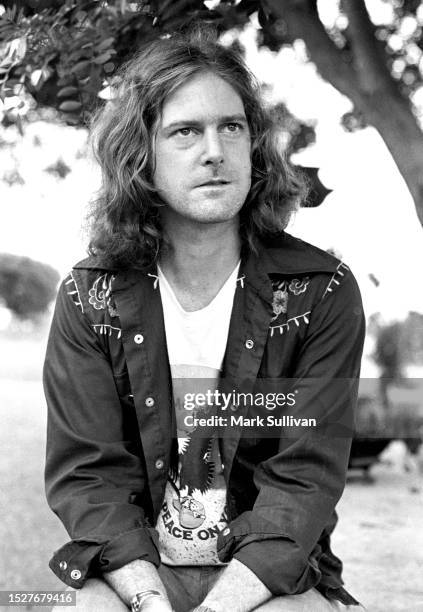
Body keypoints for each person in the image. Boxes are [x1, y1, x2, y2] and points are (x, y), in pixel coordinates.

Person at [43, 26, 366, 612]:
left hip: (268, 577)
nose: (214, 150)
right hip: (137, 573)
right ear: (142, 157)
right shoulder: (91, 298)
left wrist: (220, 607)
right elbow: (90, 476)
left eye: (231, 127)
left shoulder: (321, 292)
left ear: (253, 146)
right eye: (186, 131)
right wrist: (148, 600)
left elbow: (304, 478)